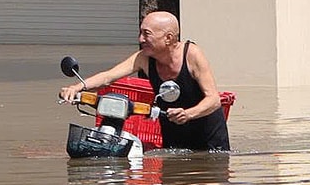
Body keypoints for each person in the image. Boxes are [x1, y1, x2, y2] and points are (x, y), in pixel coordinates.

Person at [59, 11, 230, 151]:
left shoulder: (192, 55)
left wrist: (187, 114)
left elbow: (213, 100)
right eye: (140, 33)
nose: (140, 39)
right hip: (173, 137)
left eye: (146, 34)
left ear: (168, 38)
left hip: (210, 140)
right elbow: (108, 77)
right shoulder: (144, 59)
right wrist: (77, 87)